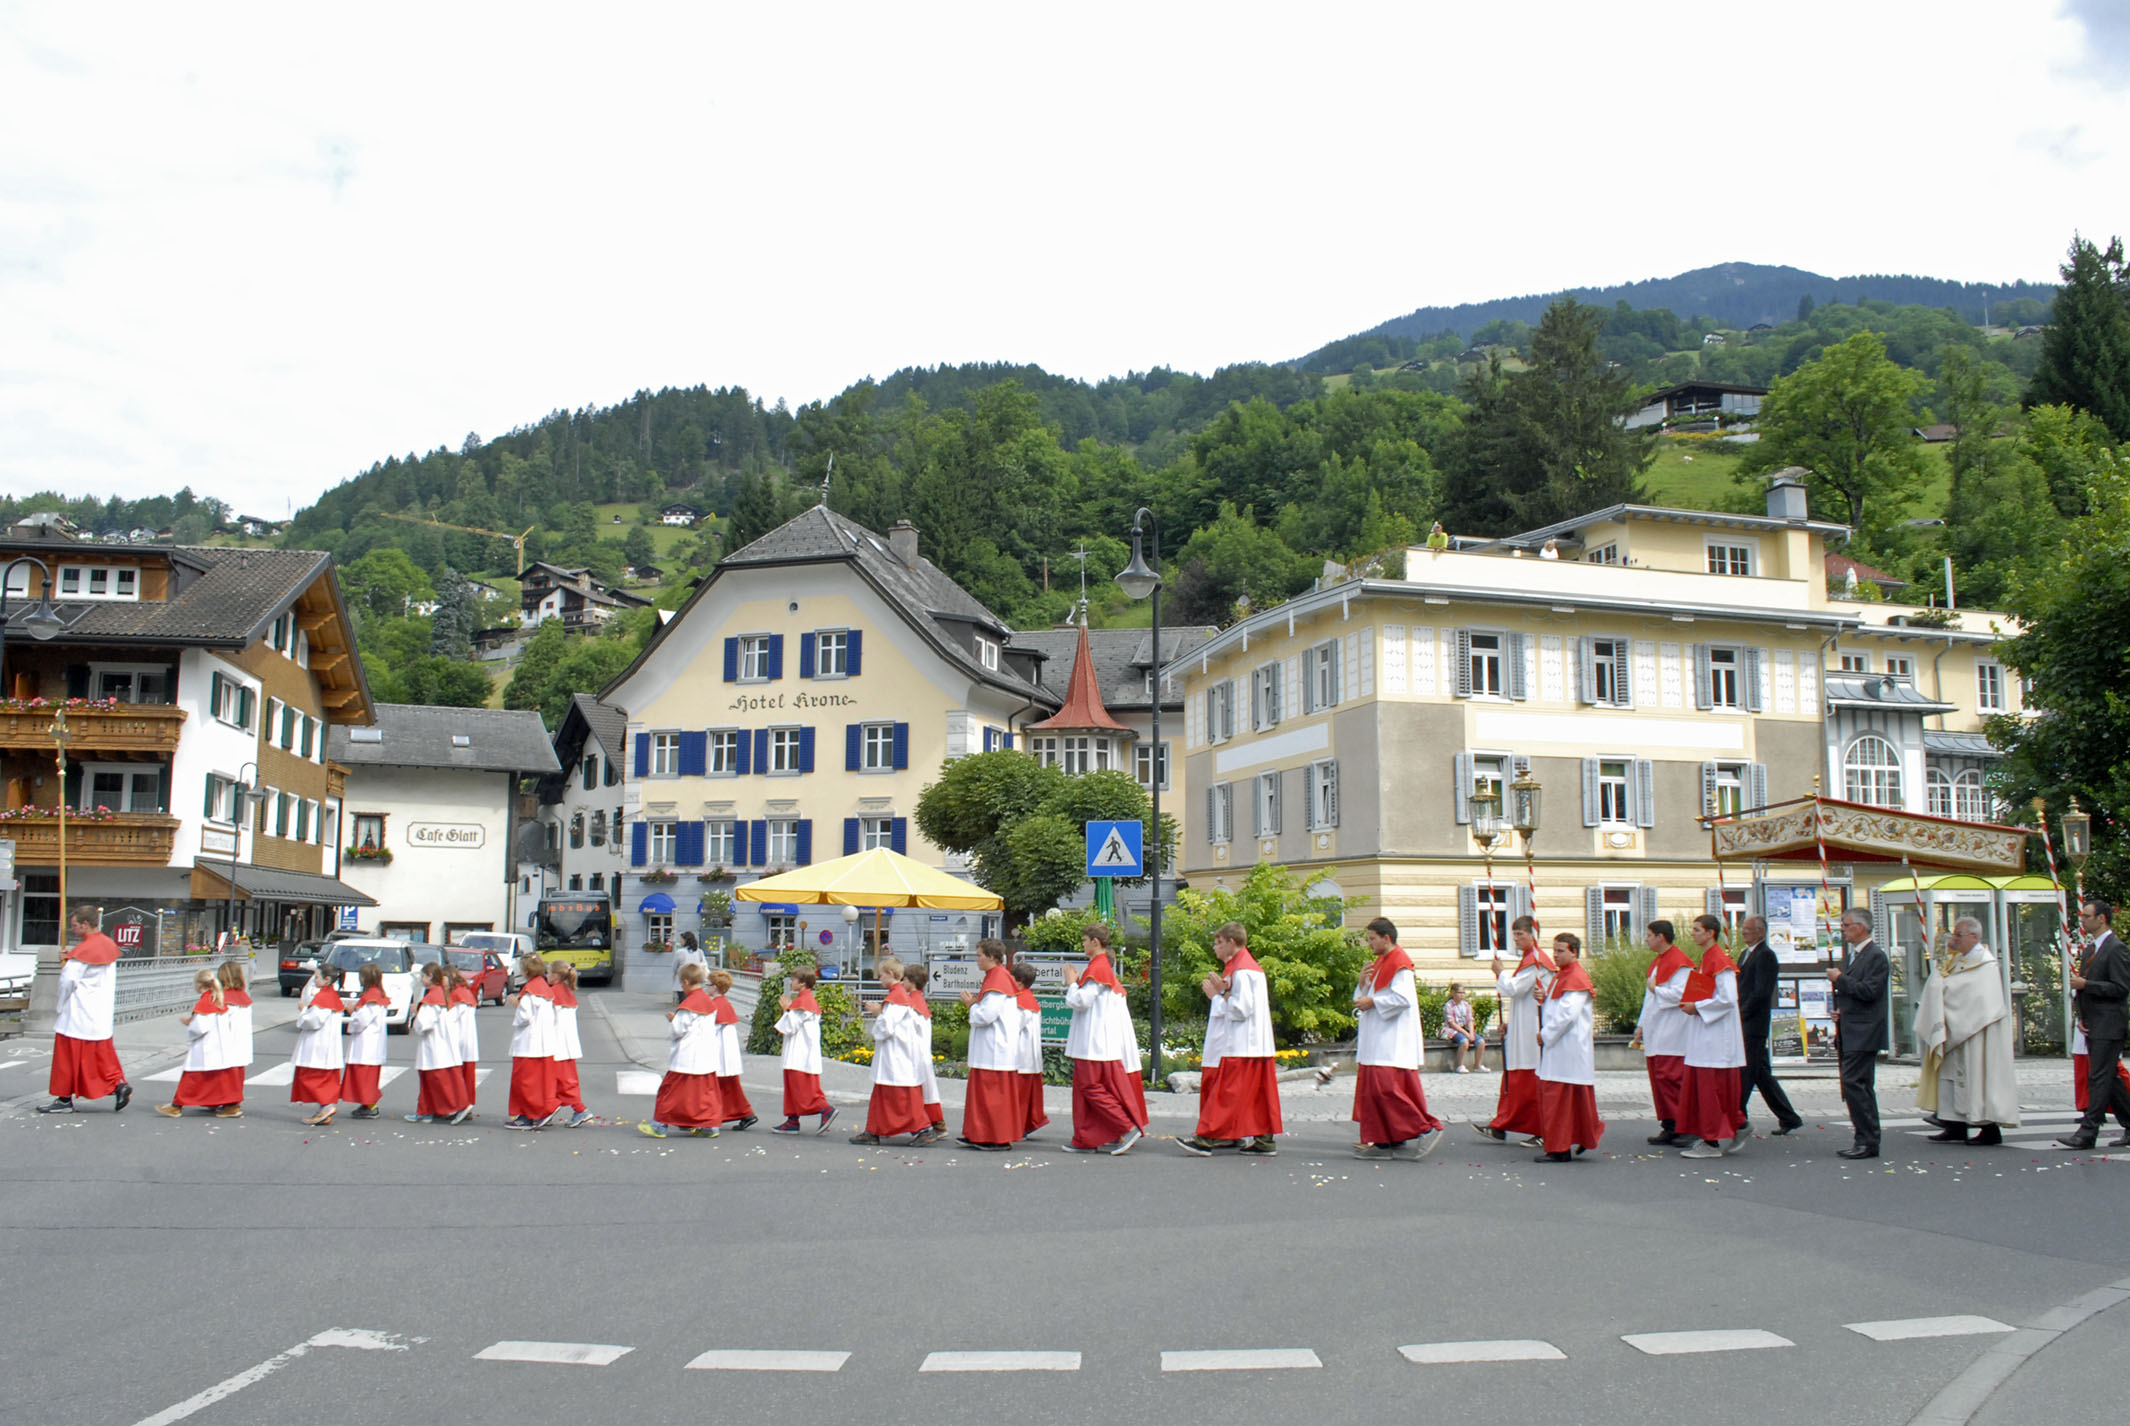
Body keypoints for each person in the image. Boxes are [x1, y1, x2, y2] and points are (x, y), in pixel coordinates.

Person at [1181, 921, 1283, 1156]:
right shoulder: (1248, 967)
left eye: (1219, 942)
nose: (1215, 946)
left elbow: (1241, 1009)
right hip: (1256, 1043)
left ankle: (1206, 1139)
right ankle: (1264, 1141)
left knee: (1227, 1094)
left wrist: (1219, 993)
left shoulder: (1242, 971)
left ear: (1232, 942)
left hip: (1242, 1042)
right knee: (1259, 1095)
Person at [1915, 916, 2019, 1146]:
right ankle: (1954, 1125)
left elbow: (1975, 997)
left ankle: (1989, 1129)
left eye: (1959, 935)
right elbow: (1944, 983)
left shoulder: (1986, 965)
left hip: (1976, 1032)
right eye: (1954, 934)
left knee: (1977, 1079)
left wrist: (1942, 986)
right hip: (1956, 1028)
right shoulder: (1957, 961)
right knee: (1949, 1077)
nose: (1955, 939)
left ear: (1974, 936)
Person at [1350, 917, 1443, 1161]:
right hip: (1377, 1038)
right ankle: (1385, 1141)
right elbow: (1367, 997)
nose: (1369, 944)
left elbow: (1403, 999)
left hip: (1391, 1040)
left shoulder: (1400, 964)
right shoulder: (1382, 962)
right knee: (1375, 1092)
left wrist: (1372, 1001)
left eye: (1372, 939)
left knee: (1386, 1091)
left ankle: (1425, 1128)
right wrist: (1362, 985)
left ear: (1386, 938)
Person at [1059, 924, 1147, 1156]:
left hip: (1092, 1042)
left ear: (1095, 942)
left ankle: (1126, 1127)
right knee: (1087, 1090)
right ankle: (1087, 1138)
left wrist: (1071, 983)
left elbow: (1081, 1001)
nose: (1083, 944)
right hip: (1094, 1041)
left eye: (1085, 940)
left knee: (1090, 1088)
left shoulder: (1098, 968)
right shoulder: (1099, 967)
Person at [38, 908, 133, 1115]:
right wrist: (69, 958)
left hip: (78, 1011)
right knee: (99, 1057)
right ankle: (117, 1085)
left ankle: (64, 1098)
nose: (72, 929)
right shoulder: (107, 945)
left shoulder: (83, 952)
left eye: (74, 925)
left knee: (66, 1059)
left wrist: (60, 1004)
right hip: (100, 1011)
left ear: (85, 924)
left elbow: (68, 982)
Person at [2059, 900, 2130, 1150]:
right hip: (2093, 1022)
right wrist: (2081, 1017)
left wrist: (2087, 985)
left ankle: (2088, 1132)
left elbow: (2121, 987)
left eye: (2087, 916)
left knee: (2099, 1077)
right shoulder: (2090, 949)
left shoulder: (2116, 948)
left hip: (2110, 1023)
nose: (2083, 920)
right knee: (2109, 1077)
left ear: (2102, 919)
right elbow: (2082, 987)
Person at [1475, 917, 1551, 1144]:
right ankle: (1502, 1124)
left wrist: (1500, 972)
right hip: (1522, 1027)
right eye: (1514, 934)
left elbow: (1514, 989)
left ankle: (1538, 1129)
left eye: (1520, 934)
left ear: (1533, 935)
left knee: (1528, 1082)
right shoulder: (1528, 960)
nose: (1516, 939)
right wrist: (1511, 1024)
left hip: (1531, 1031)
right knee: (1516, 1081)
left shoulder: (1536, 962)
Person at [1677, 914, 1748, 1159]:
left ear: (1710, 933)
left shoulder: (1720, 962)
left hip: (1717, 1039)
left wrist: (1697, 1007)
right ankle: (1732, 1127)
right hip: (1706, 1035)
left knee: (1712, 1091)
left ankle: (1712, 1140)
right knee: (1709, 1090)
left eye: (1697, 929)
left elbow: (1727, 999)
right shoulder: (1708, 959)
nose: (1693, 933)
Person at [1535, 933, 1604, 1162]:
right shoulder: (1562, 975)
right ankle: (1580, 1137)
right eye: (1554, 950)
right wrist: (1544, 997)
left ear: (1574, 952)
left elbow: (1567, 1014)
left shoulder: (1575, 977)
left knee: (1559, 1101)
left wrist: (1545, 1034)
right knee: (1573, 1100)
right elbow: (1557, 1005)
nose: (1555, 955)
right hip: (1562, 1047)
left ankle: (1559, 1148)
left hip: (1567, 1047)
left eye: (1561, 951)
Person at [1828, 908, 1889, 1160]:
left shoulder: (1876, 956)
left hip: (1865, 1031)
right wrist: (1841, 1012)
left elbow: (1869, 991)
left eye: (1846, 925)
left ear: (1861, 927)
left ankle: (1868, 1139)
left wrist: (1840, 979)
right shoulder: (1855, 955)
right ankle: (1863, 1137)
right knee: (1855, 1084)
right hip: (1851, 1027)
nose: (1842, 929)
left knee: (1856, 1083)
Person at [851, 955, 930, 1145]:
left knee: (900, 1095)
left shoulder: (896, 998)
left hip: (896, 1054)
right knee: (886, 1094)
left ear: (890, 974)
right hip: (895, 1053)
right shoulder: (899, 996)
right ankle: (873, 1130)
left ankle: (921, 1128)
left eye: (881, 975)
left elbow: (886, 1028)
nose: (879, 979)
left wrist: (878, 1014)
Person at [1735, 915, 1802, 1136]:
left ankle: (1737, 1117)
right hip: (1744, 1021)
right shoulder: (1745, 954)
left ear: (1761, 931)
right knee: (1761, 1074)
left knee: (1746, 1072)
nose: (1743, 932)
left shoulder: (1766, 955)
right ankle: (1789, 1117)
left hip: (1753, 1024)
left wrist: (1742, 1013)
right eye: (1743, 928)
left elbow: (1761, 992)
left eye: (1748, 929)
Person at [641, 962, 723, 1139]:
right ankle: (709, 1125)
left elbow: (678, 1030)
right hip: (706, 1056)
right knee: (704, 1094)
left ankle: (659, 1125)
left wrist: (673, 1020)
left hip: (687, 1056)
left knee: (669, 1091)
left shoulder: (689, 1004)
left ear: (686, 982)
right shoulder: (708, 1002)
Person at [1632, 921, 1694, 1146]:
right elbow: (1649, 998)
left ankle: (1685, 1126)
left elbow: (1682, 994)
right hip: (1656, 1029)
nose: (1646, 939)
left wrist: (1656, 989)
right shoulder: (1658, 963)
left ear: (1661, 936)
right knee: (1660, 1082)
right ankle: (1669, 1125)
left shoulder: (1681, 965)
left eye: (1649, 935)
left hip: (1673, 1031)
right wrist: (1641, 1025)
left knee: (1672, 1079)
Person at [958, 939, 1022, 1151]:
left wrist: (971, 1005)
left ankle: (995, 1137)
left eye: (979, 955)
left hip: (994, 1048)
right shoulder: (996, 977)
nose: (977, 959)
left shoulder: (997, 981)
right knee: (984, 1096)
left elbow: (987, 1015)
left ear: (992, 957)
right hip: (992, 1048)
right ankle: (979, 1134)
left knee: (991, 1097)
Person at [155, 968, 238, 1118]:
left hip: (206, 1047)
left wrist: (189, 1025)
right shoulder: (218, 999)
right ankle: (230, 1104)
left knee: (191, 1077)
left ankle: (177, 1105)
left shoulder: (205, 1002)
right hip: (220, 1047)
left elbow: (199, 1027)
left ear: (199, 985)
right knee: (222, 1078)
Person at [771, 966, 837, 1135]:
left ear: (802, 983)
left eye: (794, 979)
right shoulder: (805, 1000)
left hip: (800, 1053)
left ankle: (825, 1109)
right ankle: (792, 1120)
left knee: (801, 1089)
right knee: (794, 1088)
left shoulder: (803, 1003)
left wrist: (787, 1009)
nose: (791, 982)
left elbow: (790, 1026)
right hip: (799, 1052)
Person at [504, 955, 564, 1130]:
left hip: (528, 1044)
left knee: (524, 1082)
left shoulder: (530, 991)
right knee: (539, 1082)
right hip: (544, 1043)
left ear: (526, 971)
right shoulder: (545, 989)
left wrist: (516, 1004)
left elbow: (525, 1017)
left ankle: (529, 1115)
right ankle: (541, 1110)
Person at [408, 963, 469, 1124]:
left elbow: (423, 1024)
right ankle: (426, 1110)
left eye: (423, 976)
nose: (421, 979)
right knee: (434, 1079)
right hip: (442, 1043)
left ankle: (454, 1106)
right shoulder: (442, 994)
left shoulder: (432, 999)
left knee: (437, 1080)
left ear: (430, 976)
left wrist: (416, 1014)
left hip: (434, 1045)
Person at [290, 960, 347, 1127]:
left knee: (311, 1077)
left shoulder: (323, 997)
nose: (314, 980)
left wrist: (303, 1010)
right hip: (326, 1044)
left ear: (327, 979)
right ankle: (324, 1110)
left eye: (316, 977)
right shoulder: (330, 996)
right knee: (323, 1079)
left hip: (318, 1045)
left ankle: (326, 1106)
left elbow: (313, 1021)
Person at [705, 968, 758, 1132]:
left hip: (720, 1052)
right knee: (730, 1086)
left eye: (708, 984)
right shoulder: (725, 1004)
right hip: (728, 1052)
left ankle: (717, 1115)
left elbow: (710, 1029)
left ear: (714, 987)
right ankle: (743, 1113)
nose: (706, 987)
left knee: (718, 1086)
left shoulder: (715, 1005)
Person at [339, 963, 390, 1121]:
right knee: (366, 1078)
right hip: (372, 1043)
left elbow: (362, 1020)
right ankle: (366, 1104)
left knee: (363, 1078)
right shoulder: (378, 995)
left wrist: (352, 1013)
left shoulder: (370, 999)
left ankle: (372, 1107)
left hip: (366, 1044)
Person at [903, 963, 946, 1145]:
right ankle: (937, 1123)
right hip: (922, 1052)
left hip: (916, 1053)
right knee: (928, 1089)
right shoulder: (918, 1001)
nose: (902, 982)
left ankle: (932, 1125)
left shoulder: (912, 1003)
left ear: (912, 981)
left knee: (922, 1090)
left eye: (905, 979)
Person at [1009, 959, 1051, 1141]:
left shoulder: (1020, 1001)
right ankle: (1025, 1125)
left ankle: (1016, 1129)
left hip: (1021, 1057)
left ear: (1019, 981)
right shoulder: (1030, 999)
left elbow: (1013, 1027)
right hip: (1031, 1057)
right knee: (1026, 1097)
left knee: (1018, 1098)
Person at [550, 962, 592, 1127]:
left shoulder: (553, 993)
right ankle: (549, 1109)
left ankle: (580, 1109)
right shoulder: (568, 992)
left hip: (556, 1043)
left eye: (549, 973)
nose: (547, 976)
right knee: (564, 1079)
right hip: (568, 1043)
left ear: (556, 976)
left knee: (562, 1081)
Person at [216, 960, 255, 1115]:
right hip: (241, 1041)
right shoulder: (243, 996)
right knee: (237, 1074)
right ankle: (230, 1101)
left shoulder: (223, 998)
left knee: (226, 1075)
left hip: (228, 1041)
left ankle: (231, 1104)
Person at [448, 967, 481, 1115]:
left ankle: (460, 1106)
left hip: (459, 1040)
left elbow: (451, 1019)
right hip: (469, 1039)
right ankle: (467, 1105)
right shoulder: (466, 992)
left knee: (458, 1077)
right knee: (468, 1077)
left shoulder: (456, 995)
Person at [1442, 984, 1481, 1073]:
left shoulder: (1466, 1005)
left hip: (1465, 1029)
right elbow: (1451, 1023)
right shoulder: (1449, 1005)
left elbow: (1470, 1020)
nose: (1462, 995)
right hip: (1453, 1030)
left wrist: (1471, 1033)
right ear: (1453, 993)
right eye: (1459, 993)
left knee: (1481, 1042)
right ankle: (1459, 1065)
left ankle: (1477, 1065)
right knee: (1464, 1041)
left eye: (1463, 993)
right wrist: (1466, 1034)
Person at [673, 931, 708, 1006]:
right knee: (694, 1004)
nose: (680, 941)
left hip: (683, 982)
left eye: (682, 939)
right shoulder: (699, 951)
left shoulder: (680, 952)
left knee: (684, 1003)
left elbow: (674, 967)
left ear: (686, 940)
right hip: (695, 982)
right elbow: (703, 964)